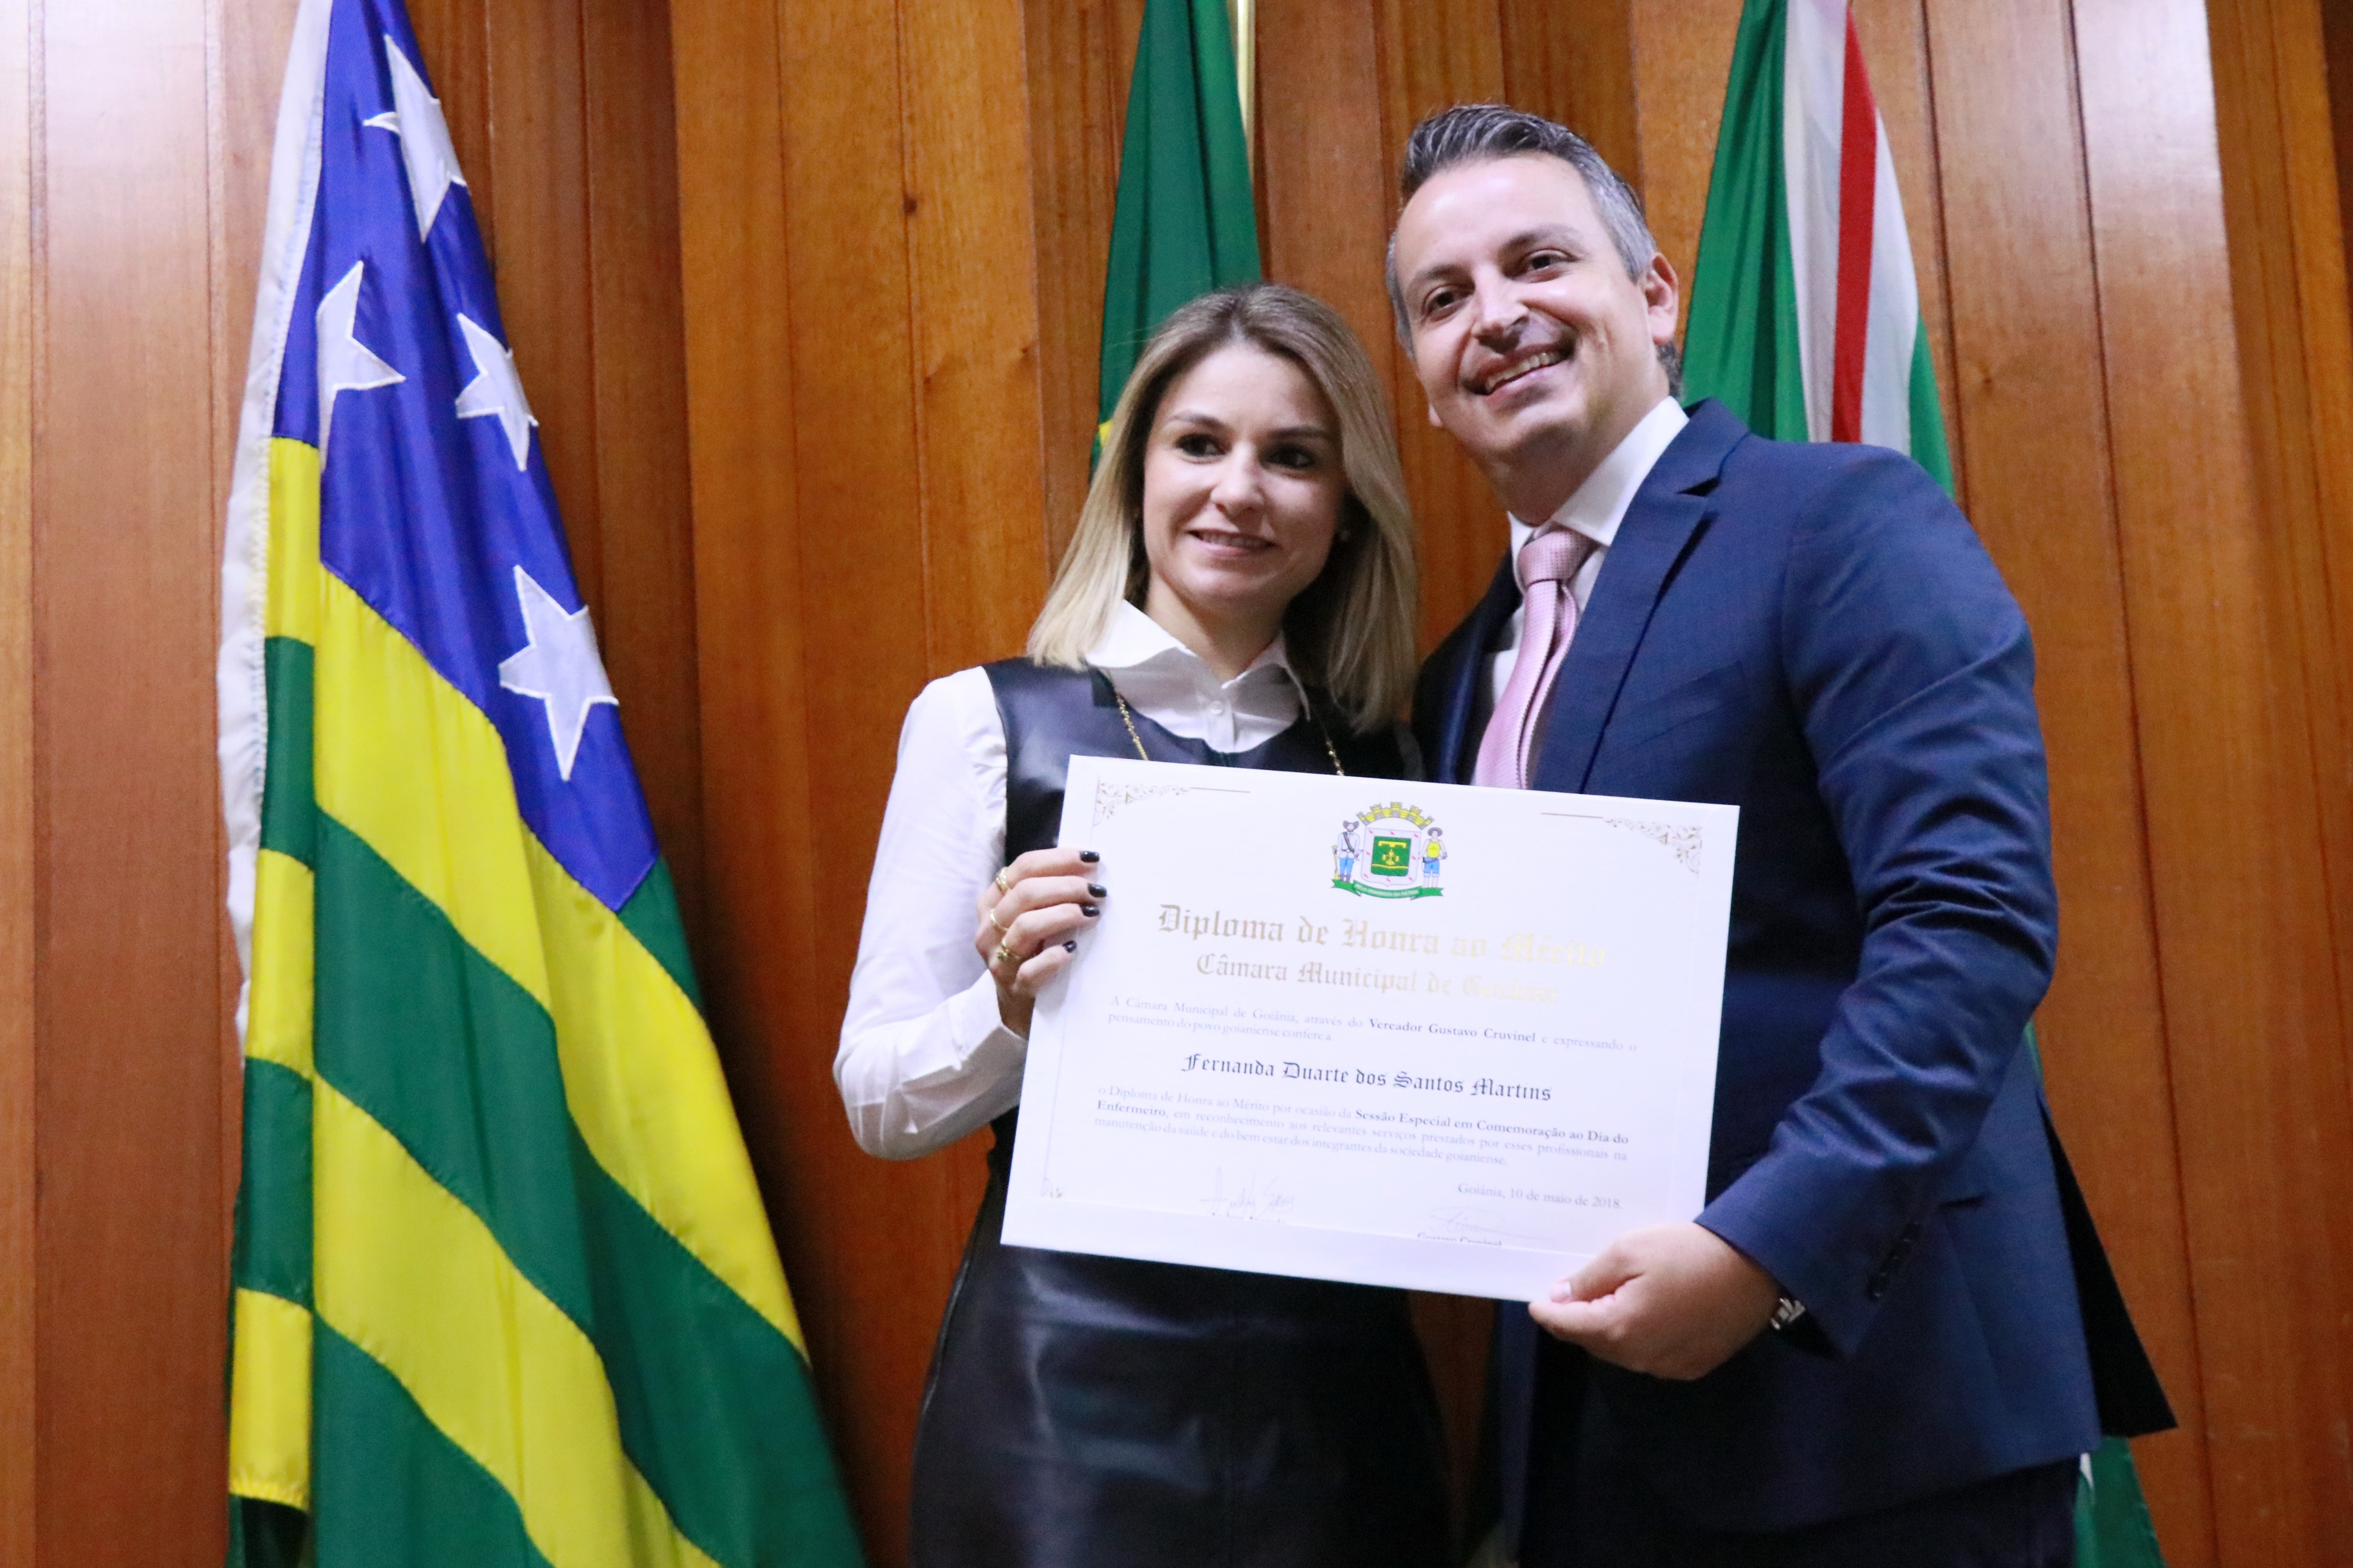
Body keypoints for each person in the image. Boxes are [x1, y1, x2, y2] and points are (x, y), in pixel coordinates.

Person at [1387, 105, 2171, 1566]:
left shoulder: (1836, 521)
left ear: (1653, 294)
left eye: (1537, 262)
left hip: (1871, 1416)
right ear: (1426, 385)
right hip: (1584, 1450)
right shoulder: (1451, 681)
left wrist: (1766, 1251)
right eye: (1442, 299)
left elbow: (1967, 920)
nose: (1492, 316)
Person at [837, 283, 1452, 1568]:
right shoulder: (982, 722)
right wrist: (1011, 1012)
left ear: (1347, 508)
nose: (1239, 490)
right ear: (1134, 475)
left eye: (1294, 456)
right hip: (1063, 1400)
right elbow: (879, 1102)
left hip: (1338, 1408)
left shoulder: (1396, 765)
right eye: (1199, 444)